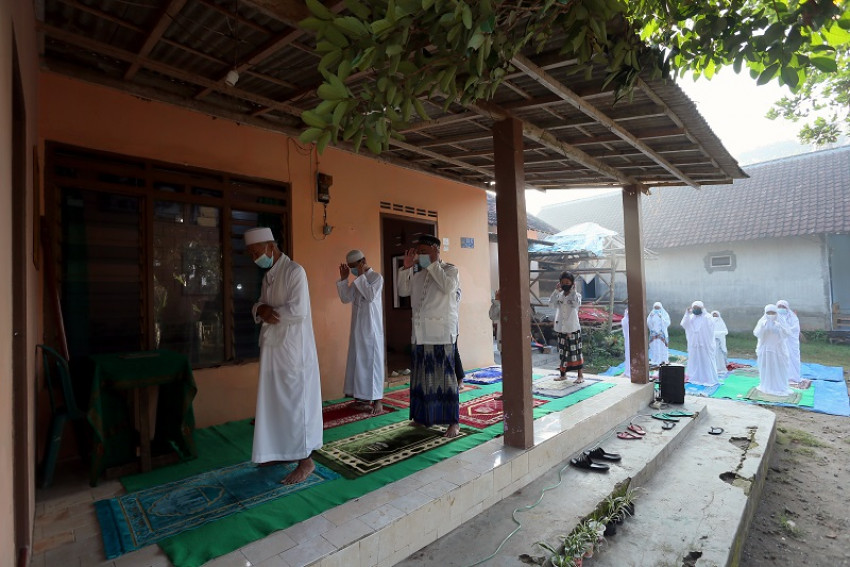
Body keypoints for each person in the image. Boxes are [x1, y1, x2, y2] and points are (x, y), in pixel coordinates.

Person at [245, 227, 323, 485]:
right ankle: (280, 451)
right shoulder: (269, 275)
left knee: (295, 405)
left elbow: (298, 311)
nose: (255, 258)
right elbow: (259, 304)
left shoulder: (294, 272)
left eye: (257, 252)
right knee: (276, 404)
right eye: (251, 254)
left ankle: (306, 461)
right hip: (273, 351)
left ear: (270, 246)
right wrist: (261, 309)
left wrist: (268, 312)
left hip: (293, 353)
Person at [397, 233, 461, 438]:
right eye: (419, 252)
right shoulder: (418, 275)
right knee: (422, 379)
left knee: (446, 380)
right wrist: (407, 267)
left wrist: (433, 264)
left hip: (441, 335)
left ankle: (453, 422)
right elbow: (403, 291)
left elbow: (449, 288)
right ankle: (423, 417)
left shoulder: (450, 270)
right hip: (420, 335)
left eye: (424, 251)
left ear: (436, 250)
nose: (420, 256)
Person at [337, 249, 385, 415]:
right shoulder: (359, 281)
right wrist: (344, 280)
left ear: (363, 261)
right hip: (358, 331)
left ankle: (378, 401)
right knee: (359, 365)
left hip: (371, 331)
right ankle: (362, 399)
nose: (353, 270)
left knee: (373, 365)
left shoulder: (376, 278)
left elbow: (370, 295)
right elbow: (345, 298)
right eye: (350, 267)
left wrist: (362, 275)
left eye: (354, 266)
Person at [550, 272, 584, 383]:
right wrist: (556, 291)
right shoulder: (559, 295)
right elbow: (551, 304)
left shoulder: (576, 295)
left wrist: (573, 291)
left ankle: (580, 376)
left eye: (567, 282)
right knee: (562, 352)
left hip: (573, 328)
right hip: (561, 328)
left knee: (576, 352)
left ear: (572, 283)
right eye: (563, 282)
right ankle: (563, 374)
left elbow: (576, 304)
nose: (565, 284)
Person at [754, 304, 793, 396]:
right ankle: (766, 385)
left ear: (776, 313)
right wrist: (762, 327)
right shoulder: (762, 322)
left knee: (778, 367)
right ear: (765, 313)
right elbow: (757, 333)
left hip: (777, 349)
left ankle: (778, 386)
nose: (771, 315)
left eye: (773, 313)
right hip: (766, 349)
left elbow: (787, 333)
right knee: (766, 367)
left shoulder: (780, 321)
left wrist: (780, 328)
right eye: (768, 313)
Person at [680, 300, 718, 386]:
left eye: (697, 308)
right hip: (694, 345)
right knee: (694, 361)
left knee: (705, 361)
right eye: (694, 308)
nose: (695, 309)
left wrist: (704, 313)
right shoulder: (691, 317)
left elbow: (711, 325)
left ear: (702, 308)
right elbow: (684, 324)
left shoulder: (707, 317)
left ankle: (707, 379)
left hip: (705, 345)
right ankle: (695, 378)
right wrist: (687, 314)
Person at [776, 299, 802, 382]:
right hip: (779, 343)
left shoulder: (793, 317)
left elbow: (795, 328)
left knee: (792, 358)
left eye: (783, 307)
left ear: (787, 308)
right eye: (779, 307)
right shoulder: (775, 317)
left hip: (790, 343)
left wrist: (786, 330)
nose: (781, 308)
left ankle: (792, 377)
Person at [712, 310, 729, 374]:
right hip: (712, 341)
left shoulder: (721, 322)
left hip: (720, 341)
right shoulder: (710, 323)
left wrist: (717, 334)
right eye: (713, 316)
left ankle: (720, 368)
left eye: (716, 315)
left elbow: (725, 331)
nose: (715, 317)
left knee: (719, 355)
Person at [621, 307, 630, 378]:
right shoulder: (625, 320)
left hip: (636, 340)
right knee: (628, 355)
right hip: (628, 341)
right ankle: (628, 371)